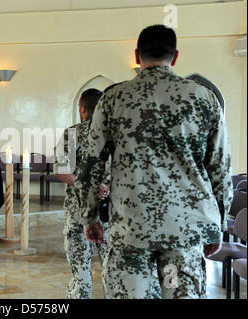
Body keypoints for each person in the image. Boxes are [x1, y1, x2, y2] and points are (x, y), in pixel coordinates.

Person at [76, 24, 233, 299]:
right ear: (175, 57)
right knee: (177, 293)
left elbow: (91, 164)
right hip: (183, 231)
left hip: (130, 228)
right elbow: (219, 166)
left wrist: (90, 217)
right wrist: (217, 224)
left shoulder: (113, 98)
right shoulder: (203, 98)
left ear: (137, 56)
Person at [54, 88, 110, 299]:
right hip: (109, 211)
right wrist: (106, 187)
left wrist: (87, 185)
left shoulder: (72, 133)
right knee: (111, 270)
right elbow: (127, 171)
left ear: (82, 108)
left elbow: (63, 172)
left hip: (78, 213)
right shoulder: (114, 134)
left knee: (81, 272)